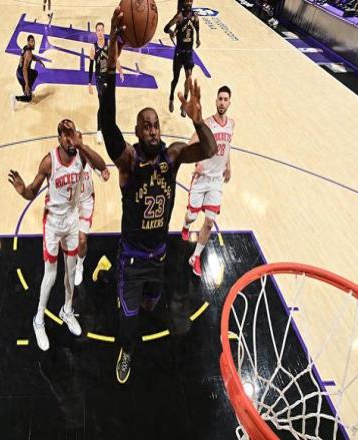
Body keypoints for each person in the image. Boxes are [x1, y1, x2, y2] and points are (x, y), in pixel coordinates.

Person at [100, 6, 217, 384]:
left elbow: (210, 149)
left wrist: (198, 119)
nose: (152, 129)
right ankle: (126, 351)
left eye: (155, 125)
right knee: (129, 320)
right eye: (145, 125)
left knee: (151, 302)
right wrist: (111, 59)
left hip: (160, 254)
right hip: (132, 258)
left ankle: (137, 304)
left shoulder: (173, 156)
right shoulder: (128, 162)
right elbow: (106, 124)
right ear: (137, 132)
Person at [8, 120, 107, 351]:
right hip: (53, 224)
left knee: (70, 272)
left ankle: (67, 310)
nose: (71, 139)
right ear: (60, 139)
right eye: (67, 135)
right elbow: (32, 191)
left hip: (72, 220)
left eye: (73, 134)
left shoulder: (81, 156)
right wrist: (23, 191)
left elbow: (102, 166)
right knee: (50, 275)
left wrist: (82, 146)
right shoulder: (49, 161)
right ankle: (38, 319)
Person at [181, 86, 234, 277]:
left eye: (225, 99)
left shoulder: (231, 124)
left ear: (229, 102)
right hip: (202, 178)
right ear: (216, 101)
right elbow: (191, 143)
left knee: (209, 222)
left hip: (216, 181)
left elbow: (227, 147)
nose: (222, 102)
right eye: (220, 99)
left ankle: (195, 257)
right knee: (192, 216)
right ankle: (186, 225)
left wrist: (228, 166)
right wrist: (197, 162)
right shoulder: (208, 124)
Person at [75, 131, 111, 286]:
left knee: (82, 240)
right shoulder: (64, 160)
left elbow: (102, 173)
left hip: (86, 202)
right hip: (70, 205)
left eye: (79, 140)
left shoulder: (88, 158)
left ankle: (79, 266)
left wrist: (104, 174)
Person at [88, 21, 124, 144]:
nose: (100, 32)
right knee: (103, 104)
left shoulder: (109, 44)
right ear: (95, 32)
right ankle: (99, 131)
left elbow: (115, 58)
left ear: (104, 31)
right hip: (99, 79)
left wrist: (120, 71)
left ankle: (109, 128)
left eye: (101, 30)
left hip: (109, 77)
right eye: (98, 30)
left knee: (110, 104)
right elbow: (91, 66)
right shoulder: (93, 48)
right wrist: (89, 83)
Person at [164, 0, 200, 116]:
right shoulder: (179, 16)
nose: (189, 3)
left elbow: (197, 28)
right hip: (179, 53)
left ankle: (184, 104)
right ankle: (171, 98)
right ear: (184, 2)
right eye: (187, 1)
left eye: (190, 1)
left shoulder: (195, 16)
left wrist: (198, 39)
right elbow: (166, 28)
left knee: (189, 78)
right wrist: (171, 32)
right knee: (175, 79)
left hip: (189, 53)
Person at [10, 35, 47, 109]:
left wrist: (39, 61)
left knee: (34, 73)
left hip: (18, 72)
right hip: (22, 75)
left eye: (33, 41)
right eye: (31, 42)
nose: (33, 43)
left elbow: (32, 57)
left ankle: (28, 92)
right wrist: (27, 84)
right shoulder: (28, 54)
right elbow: (24, 69)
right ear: (28, 42)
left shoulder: (26, 47)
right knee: (29, 98)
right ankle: (15, 98)